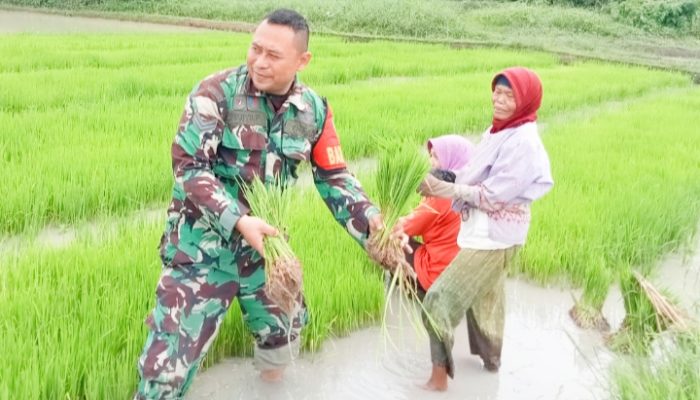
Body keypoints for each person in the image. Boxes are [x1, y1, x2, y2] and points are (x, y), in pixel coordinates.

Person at [134, 9, 386, 399]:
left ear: (302, 61)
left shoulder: (313, 110)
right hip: (201, 253)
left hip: (267, 256)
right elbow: (189, 168)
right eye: (256, 49)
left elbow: (334, 177)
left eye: (273, 55)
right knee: (165, 371)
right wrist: (238, 221)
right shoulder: (215, 93)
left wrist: (373, 226)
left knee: (281, 341)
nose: (260, 62)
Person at [416, 67, 554, 391]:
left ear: (525, 101)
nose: (499, 99)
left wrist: (443, 189)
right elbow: (475, 170)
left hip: (495, 237)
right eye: (497, 91)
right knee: (485, 302)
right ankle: (492, 368)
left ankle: (438, 380)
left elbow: (492, 195)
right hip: (481, 230)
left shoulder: (523, 143)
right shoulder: (498, 131)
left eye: (509, 95)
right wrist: (449, 177)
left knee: (438, 301)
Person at [400, 135, 473, 293]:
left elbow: (405, 227)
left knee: (394, 241)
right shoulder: (475, 190)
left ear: (451, 160)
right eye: (430, 156)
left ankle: (411, 289)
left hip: (439, 276)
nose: (430, 162)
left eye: (436, 157)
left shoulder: (441, 195)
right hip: (469, 277)